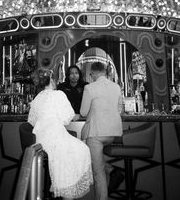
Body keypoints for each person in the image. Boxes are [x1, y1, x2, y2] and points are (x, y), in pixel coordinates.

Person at [28, 69, 93, 199]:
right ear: (51, 80)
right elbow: (67, 117)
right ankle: (65, 191)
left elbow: (31, 120)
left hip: (39, 139)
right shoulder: (58, 94)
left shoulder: (37, 98)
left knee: (69, 150)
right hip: (54, 135)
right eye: (54, 79)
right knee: (82, 149)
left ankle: (58, 188)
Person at [80, 61, 123, 200]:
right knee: (91, 156)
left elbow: (83, 112)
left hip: (97, 134)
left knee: (98, 173)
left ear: (93, 73)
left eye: (91, 74)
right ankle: (111, 169)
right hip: (113, 134)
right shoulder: (116, 87)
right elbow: (119, 110)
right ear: (105, 72)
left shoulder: (89, 87)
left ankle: (109, 172)